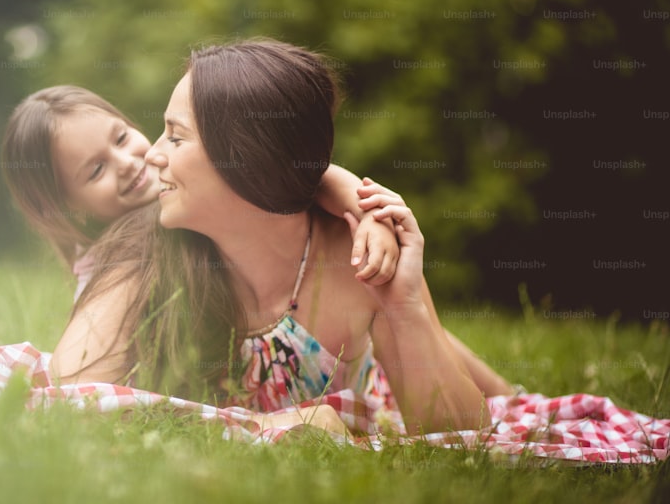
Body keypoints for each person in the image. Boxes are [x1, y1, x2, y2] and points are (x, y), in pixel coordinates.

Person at [51, 39, 513, 435]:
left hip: (372, 379)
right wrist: (273, 427)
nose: (151, 156)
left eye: (175, 137)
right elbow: (70, 401)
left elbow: (462, 444)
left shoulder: (357, 259)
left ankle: (510, 394)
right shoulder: (146, 253)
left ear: (243, 160)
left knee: (500, 400)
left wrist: (406, 304)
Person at [0, 85, 401, 303]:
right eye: (96, 169)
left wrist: (366, 211)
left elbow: (298, 175)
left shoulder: (184, 180)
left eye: (121, 137)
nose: (126, 162)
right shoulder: (106, 274)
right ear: (68, 209)